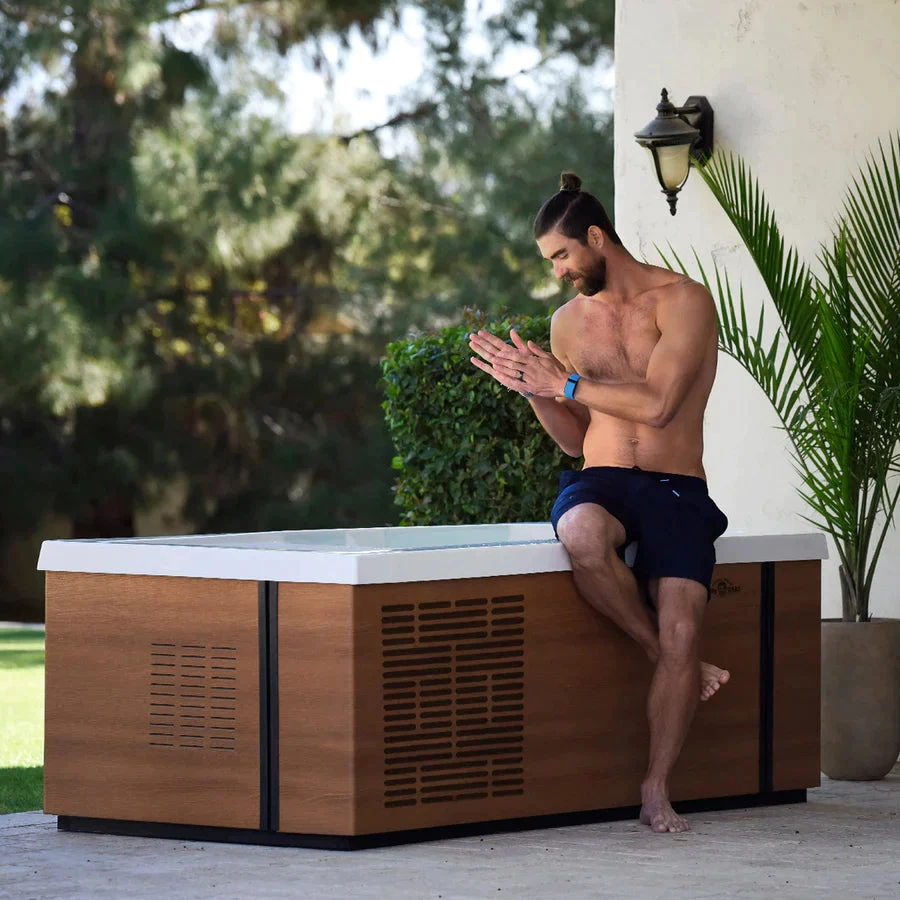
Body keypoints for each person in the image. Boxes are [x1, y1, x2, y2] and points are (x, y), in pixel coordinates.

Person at [468, 171, 730, 835]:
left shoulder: (683, 301)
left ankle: (655, 789)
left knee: (684, 628)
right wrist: (533, 390)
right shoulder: (566, 323)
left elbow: (661, 405)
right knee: (581, 533)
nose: (557, 272)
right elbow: (574, 438)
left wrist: (565, 382)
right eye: (549, 262)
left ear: (595, 236)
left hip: (675, 484)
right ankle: (665, 657)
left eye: (561, 255)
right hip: (604, 477)